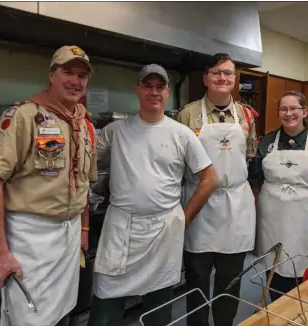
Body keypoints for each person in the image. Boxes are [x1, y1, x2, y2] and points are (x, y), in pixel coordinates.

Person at [87, 64, 218, 326]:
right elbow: (86, 162)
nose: (154, 91)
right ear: (138, 89)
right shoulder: (116, 131)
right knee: (105, 300)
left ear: (167, 92)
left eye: (160, 86)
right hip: (121, 227)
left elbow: (210, 178)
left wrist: (183, 218)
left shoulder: (181, 134)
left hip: (163, 229)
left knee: (159, 306)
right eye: (148, 85)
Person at [0, 45, 98, 326]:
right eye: (67, 72)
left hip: (68, 237)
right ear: (51, 75)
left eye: (82, 75)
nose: (75, 81)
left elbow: (82, 185)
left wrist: (83, 229)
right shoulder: (23, 116)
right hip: (30, 238)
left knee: (63, 310)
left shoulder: (84, 124)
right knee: (28, 317)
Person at [177, 53, 258, 326]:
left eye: (228, 73)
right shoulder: (187, 113)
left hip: (235, 205)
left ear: (234, 79)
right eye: (216, 72)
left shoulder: (246, 115)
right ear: (205, 79)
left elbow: (248, 155)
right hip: (199, 205)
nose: (222, 78)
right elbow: (179, 162)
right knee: (197, 277)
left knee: (231, 277)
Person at [248, 90, 308, 302]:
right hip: (271, 219)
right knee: (274, 267)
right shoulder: (266, 142)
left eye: (294, 109)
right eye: (283, 109)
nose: (288, 113)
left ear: (304, 112)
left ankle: (298, 310)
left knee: (303, 267)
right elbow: (255, 183)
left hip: (307, 220)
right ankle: (276, 305)